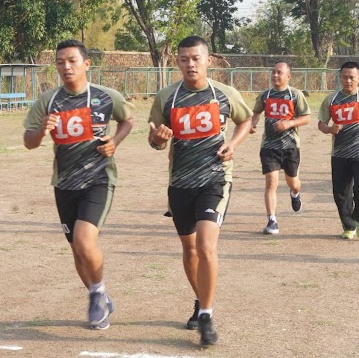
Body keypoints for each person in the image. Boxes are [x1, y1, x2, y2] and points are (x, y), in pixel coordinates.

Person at [147, 36, 252, 346]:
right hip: (179, 183)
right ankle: (199, 298)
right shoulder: (166, 97)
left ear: (208, 61)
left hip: (215, 180)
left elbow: (245, 120)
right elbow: (154, 139)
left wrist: (232, 144)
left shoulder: (224, 93)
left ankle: (206, 315)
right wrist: (159, 139)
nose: (190, 64)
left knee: (206, 246)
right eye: (183, 59)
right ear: (177, 62)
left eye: (196, 58)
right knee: (190, 250)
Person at [23, 40, 134, 330]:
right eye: (60, 62)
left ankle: (97, 293)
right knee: (77, 249)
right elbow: (29, 142)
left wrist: (115, 141)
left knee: (85, 241)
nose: (66, 66)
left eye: (72, 60)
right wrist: (41, 132)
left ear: (86, 64)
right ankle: (100, 295)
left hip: (98, 179)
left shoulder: (106, 97)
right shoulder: (47, 101)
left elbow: (127, 120)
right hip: (64, 183)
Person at [317, 61, 359, 239]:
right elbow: (321, 123)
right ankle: (349, 226)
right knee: (341, 193)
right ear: (340, 78)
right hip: (339, 154)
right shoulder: (331, 99)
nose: (348, 81)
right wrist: (330, 129)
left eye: (352, 78)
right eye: (345, 77)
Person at [250, 61, 311, 234]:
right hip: (269, 146)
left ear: (288, 76)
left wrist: (289, 123)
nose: (276, 76)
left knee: (293, 182)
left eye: (280, 73)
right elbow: (256, 113)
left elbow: (306, 118)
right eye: (274, 72)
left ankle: (295, 193)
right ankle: (272, 220)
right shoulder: (265, 95)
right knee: (271, 182)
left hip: (291, 146)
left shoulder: (295, 95)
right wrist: (252, 124)